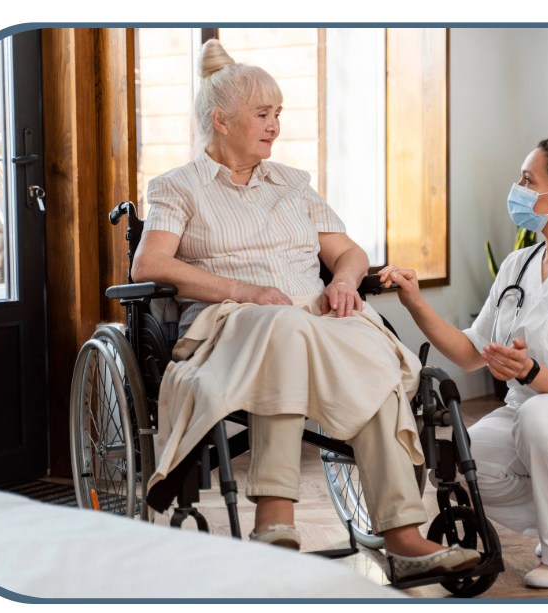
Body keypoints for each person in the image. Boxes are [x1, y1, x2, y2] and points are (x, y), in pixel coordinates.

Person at [132, 39, 478, 577]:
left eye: (278, 114)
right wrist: (243, 292)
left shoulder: (294, 185)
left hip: (314, 318)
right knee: (284, 325)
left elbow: (347, 252)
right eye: (262, 114)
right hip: (233, 324)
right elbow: (149, 264)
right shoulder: (179, 187)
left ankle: (403, 535)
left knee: (372, 352)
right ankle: (275, 512)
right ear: (221, 121)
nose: (275, 125)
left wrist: (342, 280)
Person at [380, 136, 548, 588]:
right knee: (465, 461)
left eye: (527, 180)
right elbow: (469, 351)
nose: (516, 189)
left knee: (542, 414)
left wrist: (529, 372)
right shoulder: (518, 264)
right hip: (529, 415)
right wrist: (415, 303)